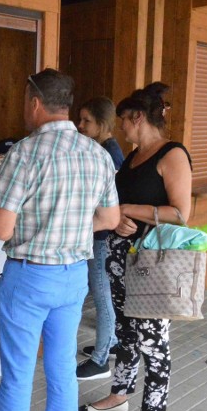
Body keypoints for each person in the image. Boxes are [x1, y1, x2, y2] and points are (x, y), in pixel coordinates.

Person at [0, 69, 119, 411]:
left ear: (35, 103)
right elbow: (110, 217)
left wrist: (41, 230)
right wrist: (67, 229)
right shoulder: (98, 154)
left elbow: (1, 228)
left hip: (29, 277)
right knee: (61, 370)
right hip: (73, 278)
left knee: (18, 372)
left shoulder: (26, 152)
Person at [79, 83, 192, 411]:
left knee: (153, 341)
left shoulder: (172, 154)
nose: (120, 128)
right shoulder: (131, 157)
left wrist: (129, 211)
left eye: (123, 121)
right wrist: (119, 218)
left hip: (152, 264)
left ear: (138, 117)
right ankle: (119, 394)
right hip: (120, 256)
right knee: (126, 335)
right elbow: (119, 204)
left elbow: (180, 213)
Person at [75, 97, 125, 381]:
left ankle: (100, 360)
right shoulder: (103, 150)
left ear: (103, 125)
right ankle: (111, 343)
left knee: (102, 295)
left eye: (86, 121)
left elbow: (110, 204)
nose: (80, 126)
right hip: (99, 234)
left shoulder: (109, 155)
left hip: (102, 236)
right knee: (102, 293)